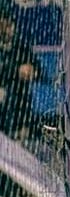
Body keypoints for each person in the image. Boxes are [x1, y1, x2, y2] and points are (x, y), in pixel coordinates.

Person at [0, 7, 40, 140]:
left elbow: (38, 69)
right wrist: (17, 69)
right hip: (3, 92)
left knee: (18, 90)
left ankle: (21, 128)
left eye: (9, 26)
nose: (6, 30)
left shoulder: (20, 46)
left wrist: (32, 70)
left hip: (18, 96)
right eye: (3, 26)